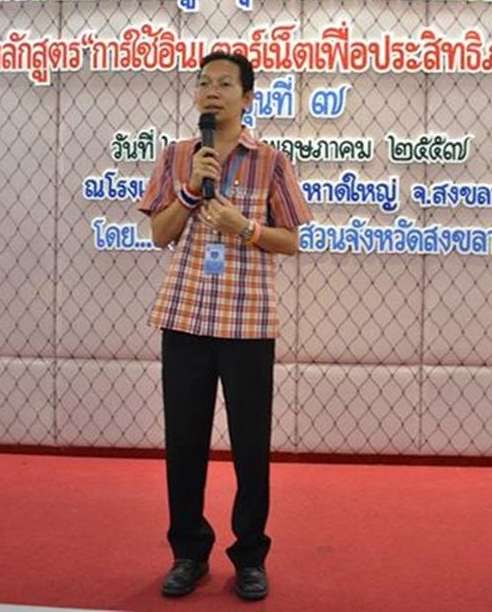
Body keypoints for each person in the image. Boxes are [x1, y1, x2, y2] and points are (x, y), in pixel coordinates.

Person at [138, 51, 312, 602]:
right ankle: (188, 553)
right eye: (204, 83)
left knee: (250, 447)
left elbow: (292, 240)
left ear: (247, 97)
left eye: (224, 84)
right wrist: (191, 190)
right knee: (184, 442)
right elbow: (159, 234)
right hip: (186, 316)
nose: (211, 91)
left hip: (248, 321)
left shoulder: (272, 162)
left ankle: (250, 556)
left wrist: (245, 227)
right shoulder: (177, 156)